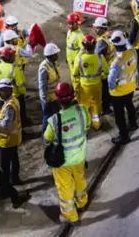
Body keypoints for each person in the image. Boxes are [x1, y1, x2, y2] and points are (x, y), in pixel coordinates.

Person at [44, 82, 89, 225]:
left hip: (62, 162)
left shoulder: (55, 120)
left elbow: (47, 138)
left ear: (57, 99)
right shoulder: (82, 111)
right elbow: (86, 127)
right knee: (79, 180)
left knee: (65, 188)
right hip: (79, 157)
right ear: (72, 96)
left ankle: (71, 215)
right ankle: (82, 203)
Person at [107, 31, 138, 145]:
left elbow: (110, 81)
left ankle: (124, 136)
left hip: (119, 93)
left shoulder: (116, 62)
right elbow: (129, 45)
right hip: (131, 86)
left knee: (119, 116)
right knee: (129, 105)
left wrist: (112, 87)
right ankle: (133, 123)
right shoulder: (132, 52)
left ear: (114, 46)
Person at [0, 79, 23, 186]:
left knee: (5, 165)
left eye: (2, 90)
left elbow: (6, 125)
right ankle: (15, 178)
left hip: (6, 140)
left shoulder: (9, 107)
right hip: (14, 137)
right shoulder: (14, 100)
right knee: (14, 159)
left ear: (9, 90)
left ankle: (6, 184)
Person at [0, 43, 33, 125]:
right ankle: (23, 124)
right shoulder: (14, 69)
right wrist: (22, 92)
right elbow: (19, 84)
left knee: (3, 111)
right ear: (9, 57)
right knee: (19, 112)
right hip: (15, 95)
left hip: (2, 95)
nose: (14, 57)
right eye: (13, 55)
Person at [73, 34, 104, 130]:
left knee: (85, 106)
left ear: (83, 45)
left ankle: (85, 126)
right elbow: (106, 72)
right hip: (97, 86)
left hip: (84, 87)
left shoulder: (79, 59)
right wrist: (99, 76)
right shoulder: (100, 58)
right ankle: (96, 125)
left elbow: (75, 73)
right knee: (96, 105)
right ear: (94, 45)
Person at [91, 17, 113, 115]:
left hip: (106, 68)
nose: (95, 29)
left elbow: (95, 55)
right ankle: (110, 104)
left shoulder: (101, 42)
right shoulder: (108, 36)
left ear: (103, 29)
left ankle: (106, 108)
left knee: (105, 91)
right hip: (112, 65)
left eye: (97, 28)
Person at [39, 43, 62, 131]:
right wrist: (45, 100)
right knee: (48, 117)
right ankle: (45, 134)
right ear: (51, 55)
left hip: (55, 96)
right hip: (49, 98)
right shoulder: (44, 68)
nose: (57, 55)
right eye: (56, 54)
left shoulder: (54, 63)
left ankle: (56, 132)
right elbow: (42, 85)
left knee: (56, 115)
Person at [65, 11, 85, 78]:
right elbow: (68, 46)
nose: (70, 26)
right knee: (72, 76)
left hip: (75, 62)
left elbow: (83, 49)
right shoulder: (69, 32)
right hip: (70, 60)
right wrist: (67, 57)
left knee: (76, 77)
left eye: (72, 24)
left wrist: (77, 60)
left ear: (77, 23)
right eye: (69, 23)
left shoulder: (79, 35)